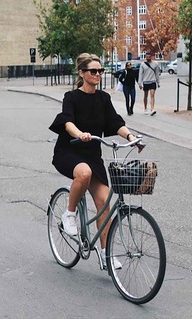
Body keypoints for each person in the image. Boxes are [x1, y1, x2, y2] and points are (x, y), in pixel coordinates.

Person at [49, 53, 139, 270]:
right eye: (93, 71)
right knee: (84, 173)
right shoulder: (72, 97)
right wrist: (79, 133)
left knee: (105, 202)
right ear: (82, 73)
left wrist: (131, 137)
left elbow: (115, 121)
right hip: (69, 151)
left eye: (100, 71)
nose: (98, 74)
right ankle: (69, 215)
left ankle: (106, 253)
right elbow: (67, 121)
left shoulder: (103, 98)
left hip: (92, 155)